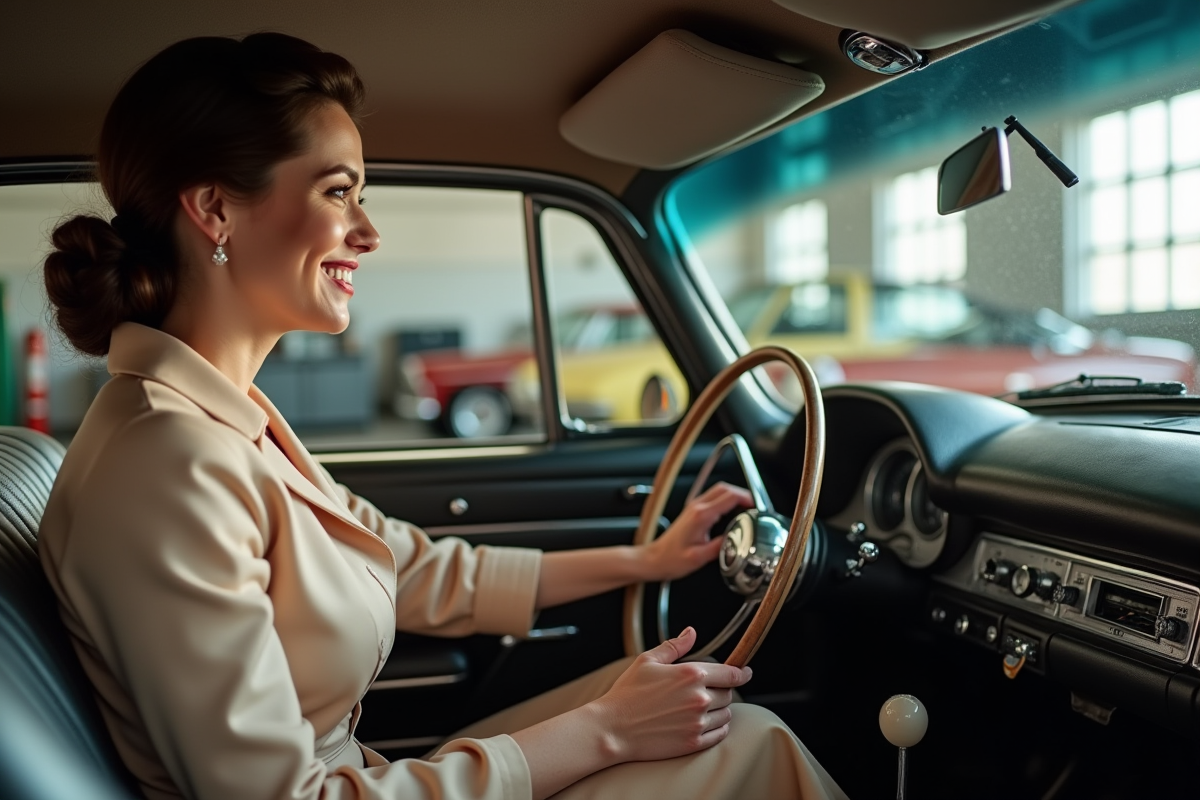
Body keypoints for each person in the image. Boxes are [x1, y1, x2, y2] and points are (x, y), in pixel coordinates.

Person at [37, 33, 848, 800]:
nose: (368, 232)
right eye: (338, 192)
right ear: (215, 209)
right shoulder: (167, 462)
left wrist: (647, 560)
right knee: (744, 741)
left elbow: (415, 568)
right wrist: (606, 731)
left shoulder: (221, 417)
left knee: (697, 712)